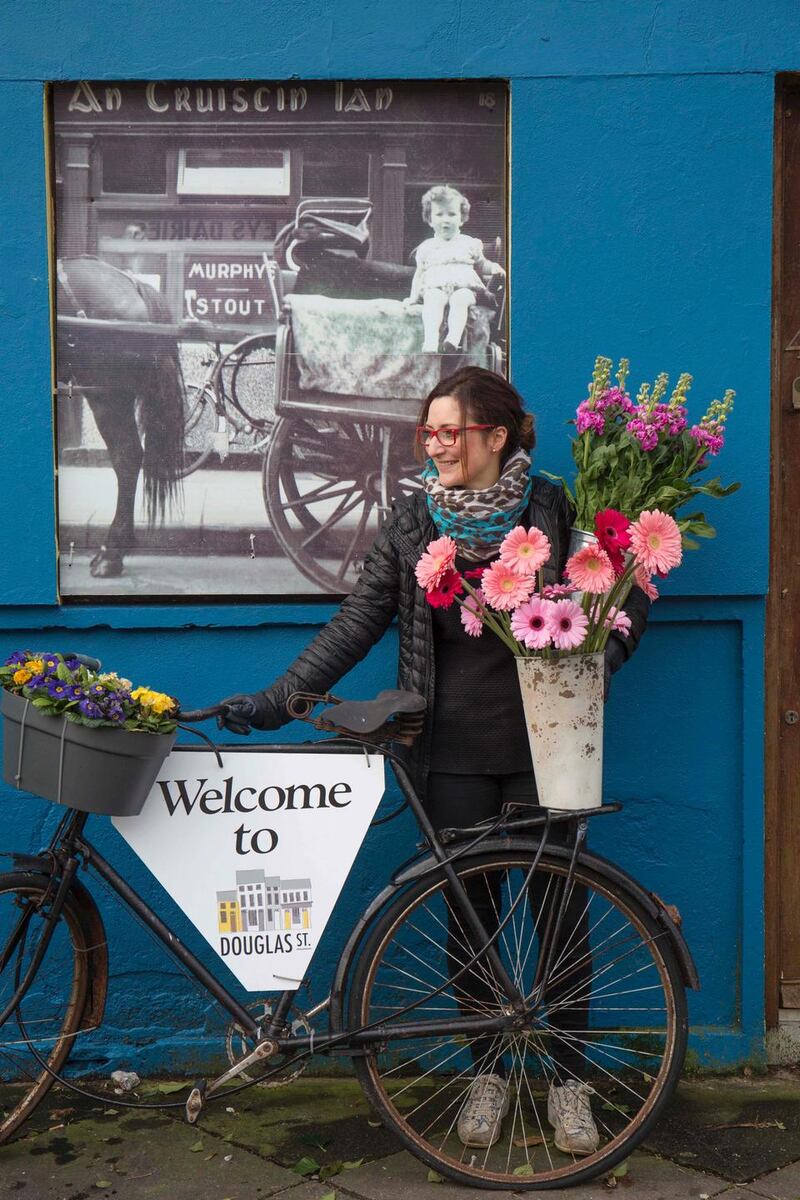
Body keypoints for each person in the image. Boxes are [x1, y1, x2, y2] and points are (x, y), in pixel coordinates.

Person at [218, 366, 649, 1154]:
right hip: (448, 752)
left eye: (451, 431)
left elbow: (624, 584)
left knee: (562, 914)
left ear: (495, 436)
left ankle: (569, 1081)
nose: (437, 444)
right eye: (430, 431)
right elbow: (358, 620)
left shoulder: (554, 504)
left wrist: (597, 659)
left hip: (547, 748)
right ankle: (487, 1069)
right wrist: (278, 699)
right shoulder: (415, 518)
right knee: (468, 917)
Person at [404, 185, 505, 353]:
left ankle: (453, 340)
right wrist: (413, 297)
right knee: (432, 299)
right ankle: (430, 341)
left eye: (452, 214)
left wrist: (493, 267)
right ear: (430, 220)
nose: (446, 220)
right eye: (439, 214)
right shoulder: (426, 247)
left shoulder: (469, 243)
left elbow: (481, 263)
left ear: (462, 219)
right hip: (437, 287)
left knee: (460, 299)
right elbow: (419, 274)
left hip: (466, 288)